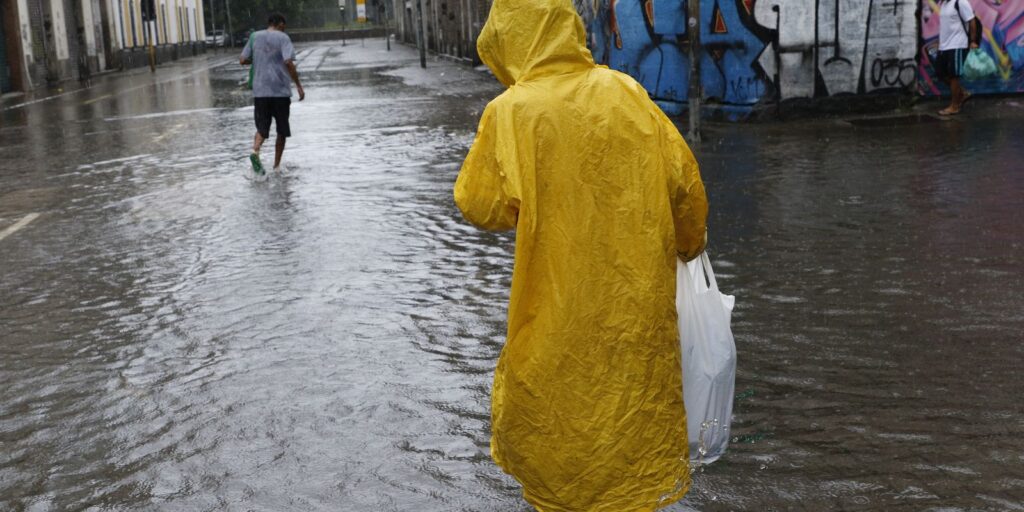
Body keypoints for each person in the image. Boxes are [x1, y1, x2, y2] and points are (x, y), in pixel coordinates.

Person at [453, 0, 708, 509]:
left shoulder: (511, 112)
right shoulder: (626, 92)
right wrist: (687, 244)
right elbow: (686, 189)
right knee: (632, 434)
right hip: (634, 317)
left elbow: (480, 205)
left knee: (558, 441)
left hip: (557, 321)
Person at [240, 13, 305, 175]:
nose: (284, 28)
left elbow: (242, 59)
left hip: (260, 91)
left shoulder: (255, 36)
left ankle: (255, 151)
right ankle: (276, 167)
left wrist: (258, 59)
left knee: (262, 127)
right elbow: (288, 62)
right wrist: (298, 85)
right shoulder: (283, 38)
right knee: (281, 130)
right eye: (284, 25)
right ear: (280, 24)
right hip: (280, 92)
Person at [935, 0, 981, 115]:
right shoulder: (944, 4)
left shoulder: (960, 2)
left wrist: (973, 41)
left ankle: (954, 106)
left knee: (954, 75)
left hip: (958, 44)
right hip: (944, 46)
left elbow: (972, 21)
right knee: (940, 72)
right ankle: (962, 93)